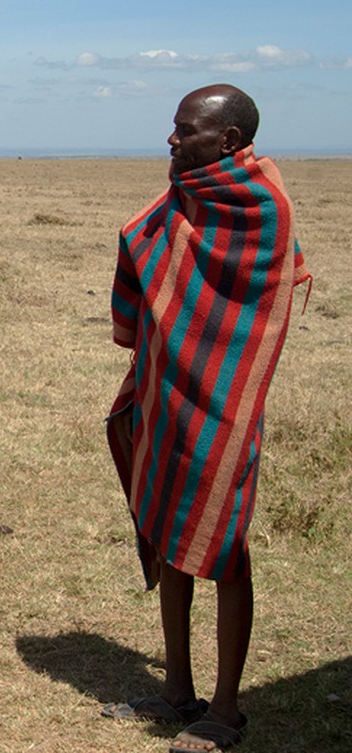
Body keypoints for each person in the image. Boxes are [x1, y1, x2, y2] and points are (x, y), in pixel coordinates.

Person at [100, 84, 310, 753]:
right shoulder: (182, 193)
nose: (171, 139)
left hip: (223, 399)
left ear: (225, 140)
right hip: (165, 390)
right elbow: (146, 245)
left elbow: (245, 299)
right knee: (168, 535)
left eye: (184, 129)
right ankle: (175, 691)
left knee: (223, 545)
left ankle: (226, 709)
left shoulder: (260, 204)